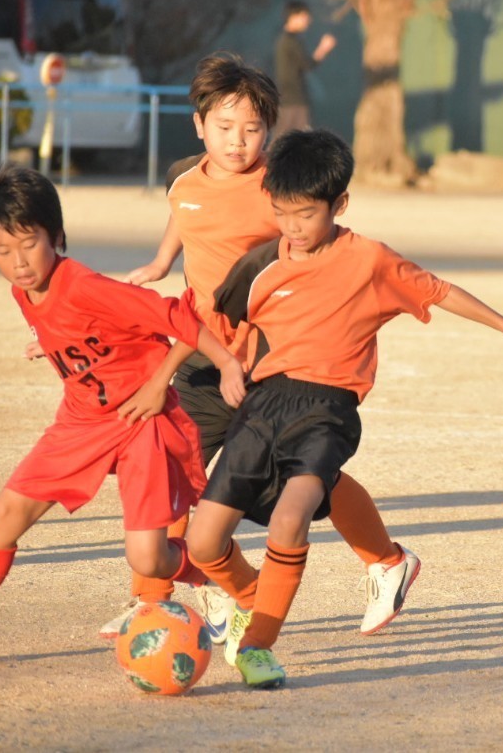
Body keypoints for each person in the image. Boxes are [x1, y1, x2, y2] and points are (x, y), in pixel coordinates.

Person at [182, 128, 503, 689]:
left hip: (326, 410)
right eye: (281, 213)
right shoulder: (259, 264)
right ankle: (256, 598)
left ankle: (258, 646)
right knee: (203, 542)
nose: (292, 228)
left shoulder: (370, 260)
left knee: (292, 515)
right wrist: (225, 367)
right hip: (262, 406)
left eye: (306, 214)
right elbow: (212, 326)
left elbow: (438, 290)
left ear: (340, 205)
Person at [121, 52, 419, 640]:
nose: (238, 142)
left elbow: (323, 241)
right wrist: (162, 261)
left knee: (307, 479)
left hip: (264, 362)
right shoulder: (183, 177)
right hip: (201, 355)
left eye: (253, 129)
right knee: (172, 472)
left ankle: (386, 560)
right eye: (226, 128)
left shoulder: (276, 187)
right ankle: (160, 598)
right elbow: (187, 213)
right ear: (200, 124)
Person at [0, 167, 247, 666]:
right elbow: (74, 327)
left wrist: (213, 367)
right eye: (2, 251)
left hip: (138, 422)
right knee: (5, 515)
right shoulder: (24, 290)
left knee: (149, 558)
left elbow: (178, 316)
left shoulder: (85, 285)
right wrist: (53, 342)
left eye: (29, 244)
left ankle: (226, 582)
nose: (18, 263)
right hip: (81, 421)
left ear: (57, 238)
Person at [274, 0, 336, 131]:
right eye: (304, 16)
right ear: (293, 17)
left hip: (290, 100)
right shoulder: (289, 41)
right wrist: (323, 48)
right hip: (292, 100)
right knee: (290, 142)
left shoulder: (288, 40)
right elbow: (308, 65)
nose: (308, 20)